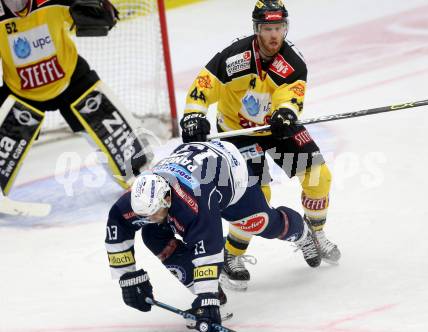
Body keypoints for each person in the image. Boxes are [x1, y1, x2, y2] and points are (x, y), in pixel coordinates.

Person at [179, 0, 340, 291]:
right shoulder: (234, 57)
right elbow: (202, 86)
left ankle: (315, 233)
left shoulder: (293, 63)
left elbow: (291, 97)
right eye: (267, 28)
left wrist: (287, 113)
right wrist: (193, 115)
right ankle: (232, 255)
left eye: (279, 27)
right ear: (256, 29)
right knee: (255, 198)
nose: (274, 35)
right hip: (236, 135)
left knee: (319, 177)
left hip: (276, 129)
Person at [105, 140, 321, 332]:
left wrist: (206, 299)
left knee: (262, 224)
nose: (148, 218)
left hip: (232, 177)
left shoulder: (194, 204)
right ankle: (215, 295)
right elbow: (118, 225)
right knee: (152, 234)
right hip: (198, 167)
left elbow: (208, 247)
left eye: (153, 214)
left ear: (167, 199)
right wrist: (127, 277)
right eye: (145, 215)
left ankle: (302, 232)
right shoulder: (145, 198)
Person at [0, 0, 150, 198]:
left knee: (132, 159)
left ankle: (139, 177)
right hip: (20, 92)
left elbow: (102, 15)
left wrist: (104, 11)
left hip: (71, 81)